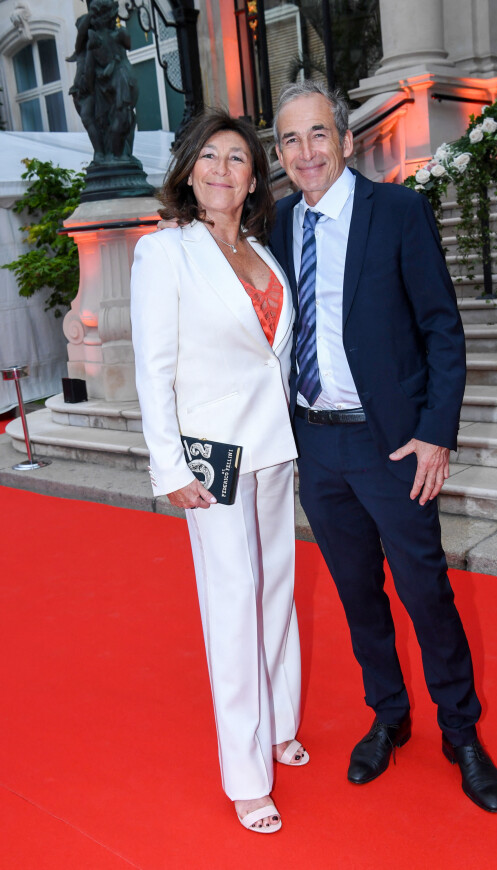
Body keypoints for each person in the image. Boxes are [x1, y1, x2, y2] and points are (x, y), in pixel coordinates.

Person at [269, 80, 497, 813]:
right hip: (316, 445)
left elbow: (442, 328)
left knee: (425, 593)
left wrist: (435, 431)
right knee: (356, 596)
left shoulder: (397, 212)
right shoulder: (278, 225)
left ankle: (460, 731)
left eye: (316, 135)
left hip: (391, 446)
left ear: (344, 138)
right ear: (279, 154)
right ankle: (389, 715)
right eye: (289, 140)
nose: (305, 152)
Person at [130, 110, 308, 834]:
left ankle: (280, 725)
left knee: (277, 592)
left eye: (237, 158)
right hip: (214, 460)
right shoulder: (163, 252)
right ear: (187, 170)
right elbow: (153, 370)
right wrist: (168, 465)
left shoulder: (264, 251)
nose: (222, 169)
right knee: (232, 604)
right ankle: (246, 775)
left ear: (253, 177)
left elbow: (278, 357)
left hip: (275, 447)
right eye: (209, 156)